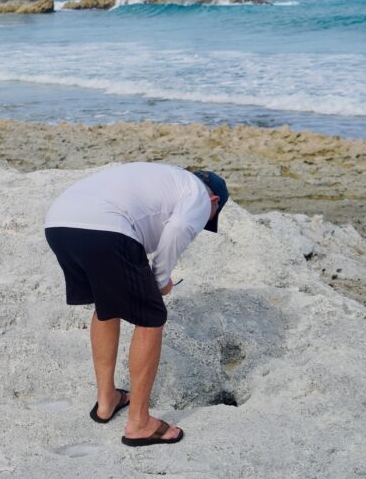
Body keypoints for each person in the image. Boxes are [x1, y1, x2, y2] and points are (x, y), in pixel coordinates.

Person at [44, 162, 228, 447]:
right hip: (106, 227)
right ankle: (140, 423)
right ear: (214, 201)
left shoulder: (164, 178)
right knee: (152, 317)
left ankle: (106, 402)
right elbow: (178, 227)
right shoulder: (200, 196)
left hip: (59, 223)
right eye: (209, 219)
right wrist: (161, 280)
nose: (203, 224)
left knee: (108, 305)